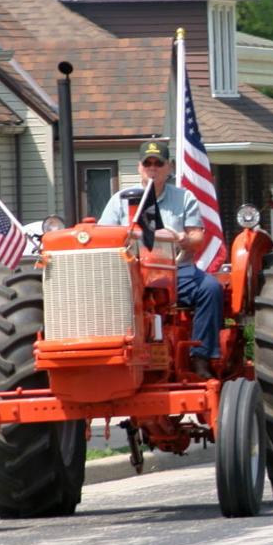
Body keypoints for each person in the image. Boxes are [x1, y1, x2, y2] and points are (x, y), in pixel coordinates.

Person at [98, 141, 223, 380]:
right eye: (148, 163)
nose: (152, 168)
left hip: (176, 272)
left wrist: (184, 238)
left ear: (169, 167)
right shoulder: (120, 200)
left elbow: (198, 236)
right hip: (129, 275)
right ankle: (107, 358)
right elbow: (104, 237)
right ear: (139, 167)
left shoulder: (184, 197)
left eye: (158, 163)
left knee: (210, 288)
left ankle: (201, 356)